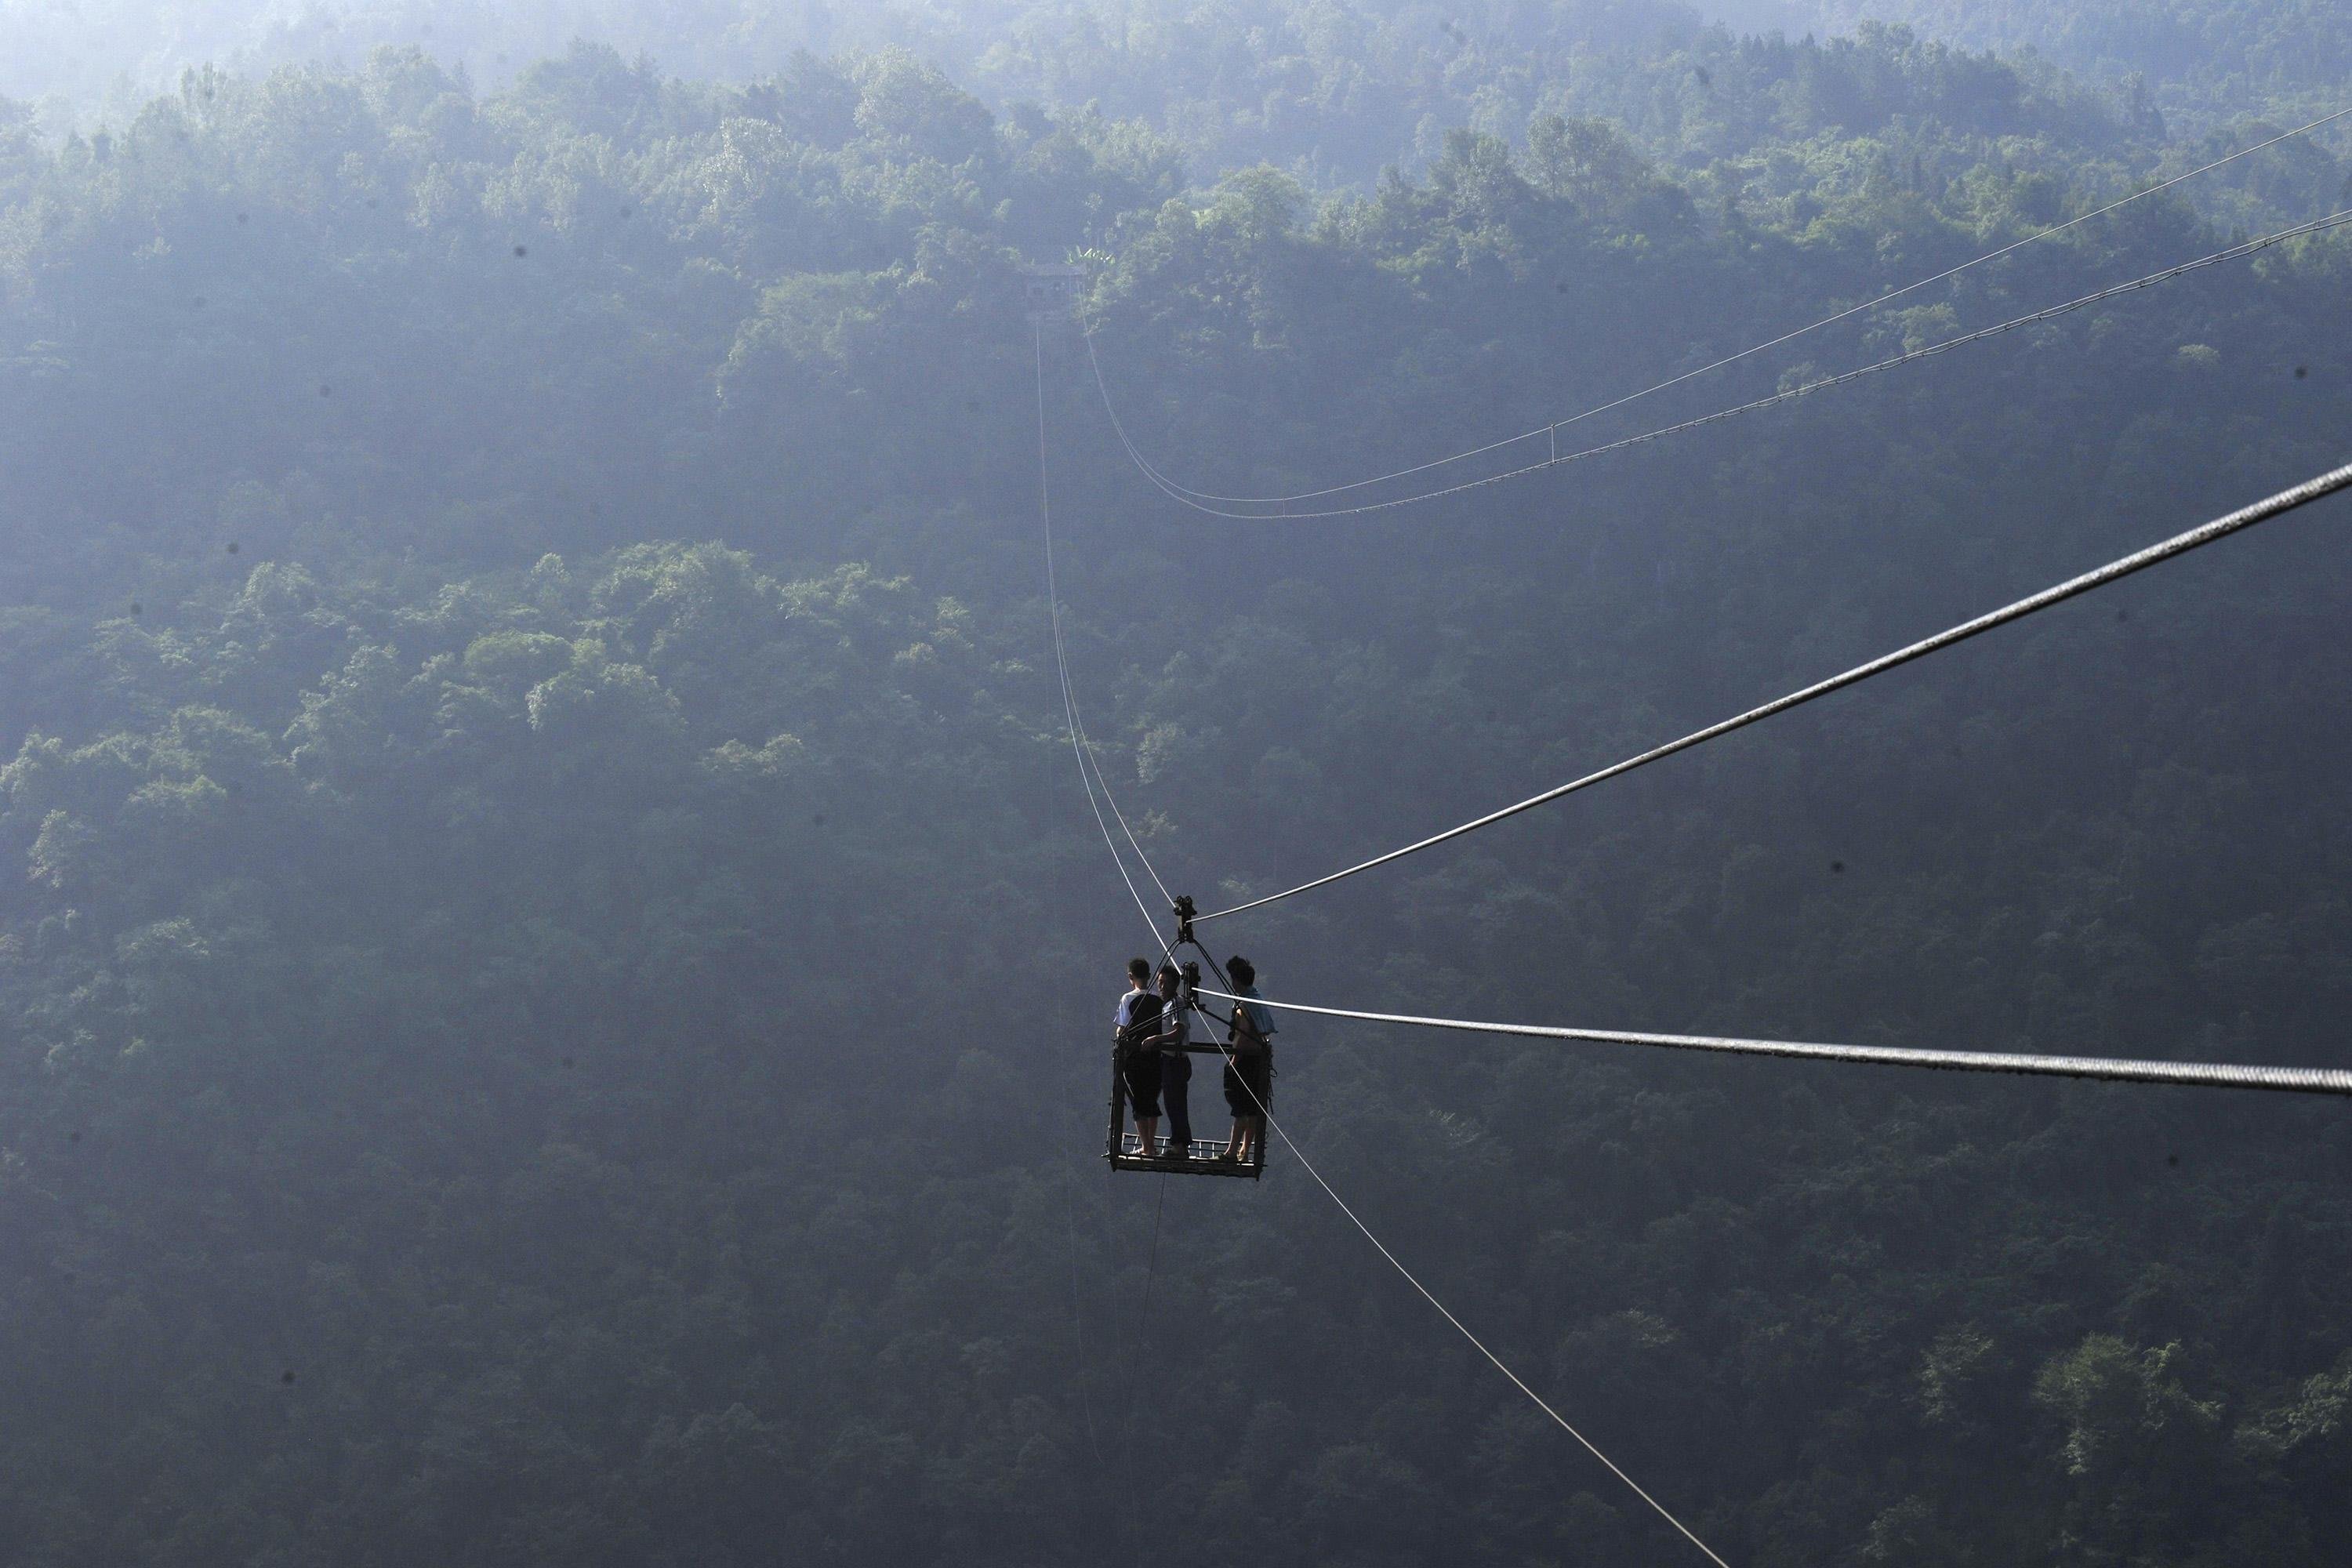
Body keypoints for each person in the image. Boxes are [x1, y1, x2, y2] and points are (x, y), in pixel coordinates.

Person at [1220, 955, 1275, 1164]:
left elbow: (1242, 1035)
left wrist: (1234, 1060)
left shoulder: (1244, 1005)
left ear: (1237, 980)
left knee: (1240, 1108)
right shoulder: (1257, 998)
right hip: (1257, 1061)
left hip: (1245, 1061)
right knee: (1253, 1109)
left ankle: (1232, 1152)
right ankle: (1244, 1150)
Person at [1113, 956, 1165, 1158]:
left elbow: (1122, 1029)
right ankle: (1151, 1144)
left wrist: (1119, 1035)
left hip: (1135, 1057)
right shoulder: (1159, 998)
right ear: (1150, 976)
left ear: (1130, 977)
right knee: (1152, 1100)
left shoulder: (1129, 998)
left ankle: (1146, 1146)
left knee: (1138, 1101)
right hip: (1156, 1056)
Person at [1149, 963, 1192, 1159]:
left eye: (1165, 983)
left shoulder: (1175, 1003)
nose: (1161, 986)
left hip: (1175, 1062)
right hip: (1170, 1061)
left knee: (1175, 1104)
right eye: (1159, 982)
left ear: (1175, 984)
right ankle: (1180, 1143)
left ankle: (1180, 1146)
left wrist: (1156, 1039)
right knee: (1173, 1103)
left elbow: (1179, 1031)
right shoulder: (1167, 1004)